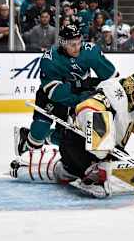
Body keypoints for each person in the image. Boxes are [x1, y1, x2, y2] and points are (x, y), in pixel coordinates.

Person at [10, 70, 134, 198]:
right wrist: (101, 136)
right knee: (75, 173)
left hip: (103, 151)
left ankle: (88, 172)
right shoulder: (110, 97)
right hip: (77, 143)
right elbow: (85, 108)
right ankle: (25, 165)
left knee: (124, 175)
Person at [15, 24, 118, 157]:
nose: (77, 48)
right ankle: (26, 147)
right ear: (63, 43)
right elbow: (56, 93)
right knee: (39, 130)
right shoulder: (50, 59)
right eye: (73, 45)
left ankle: (48, 138)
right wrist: (82, 87)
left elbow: (112, 79)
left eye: (79, 43)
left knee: (69, 138)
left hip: (79, 97)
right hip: (50, 99)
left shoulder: (90, 52)